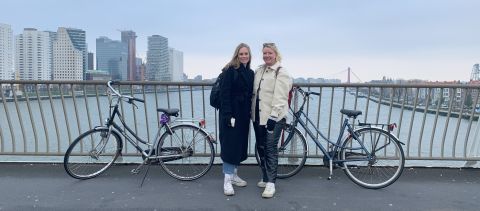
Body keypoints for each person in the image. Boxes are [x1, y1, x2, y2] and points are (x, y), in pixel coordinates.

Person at [251, 43, 293, 198]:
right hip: (257, 116)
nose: (267, 55)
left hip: (273, 118)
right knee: (261, 147)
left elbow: (281, 97)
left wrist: (273, 116)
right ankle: (265, 177)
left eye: (269, 53)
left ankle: (271, 184)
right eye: (264, 53)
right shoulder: (259, 70)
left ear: (276, 54)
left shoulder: (281, 72)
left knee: (270, 148)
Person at [218, 43, 254, 196]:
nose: (244, 56)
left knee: (239, 146)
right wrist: (227, 115)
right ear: (236, 55)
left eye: (246, 54)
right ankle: (227, 180)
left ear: (249, 56)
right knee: (230, 147)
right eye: (241, 54)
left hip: (243, 115)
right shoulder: (230, 71)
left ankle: (233, 175)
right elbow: (224, 95)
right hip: (231, 114)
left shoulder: (250, 72)